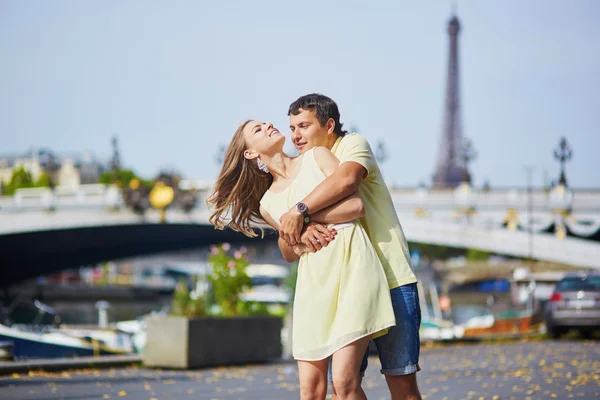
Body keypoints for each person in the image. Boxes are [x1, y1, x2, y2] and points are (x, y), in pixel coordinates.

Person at [207, 120, 395, 400]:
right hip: (313, 283)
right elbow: (288, 251)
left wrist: (301, 216)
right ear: (250, 154)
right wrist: (298, 231)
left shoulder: (316, 156)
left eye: (266, 123)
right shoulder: (267, 203)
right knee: (310, 391)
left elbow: (355, 206)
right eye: (258, 130)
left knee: (344, 383)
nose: (268, 125)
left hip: (351, 265)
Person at [278, 93, 423, 400]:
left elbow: (346, 181)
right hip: (345, 286)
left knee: (402, 386)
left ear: (329, 125)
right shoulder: (306, 169)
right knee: (343, 386)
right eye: (292, 128)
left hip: (390, 275)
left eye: (304, 125)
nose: (296, 135)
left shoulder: (352, 145)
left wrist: (299, 213)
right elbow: (289, 246)